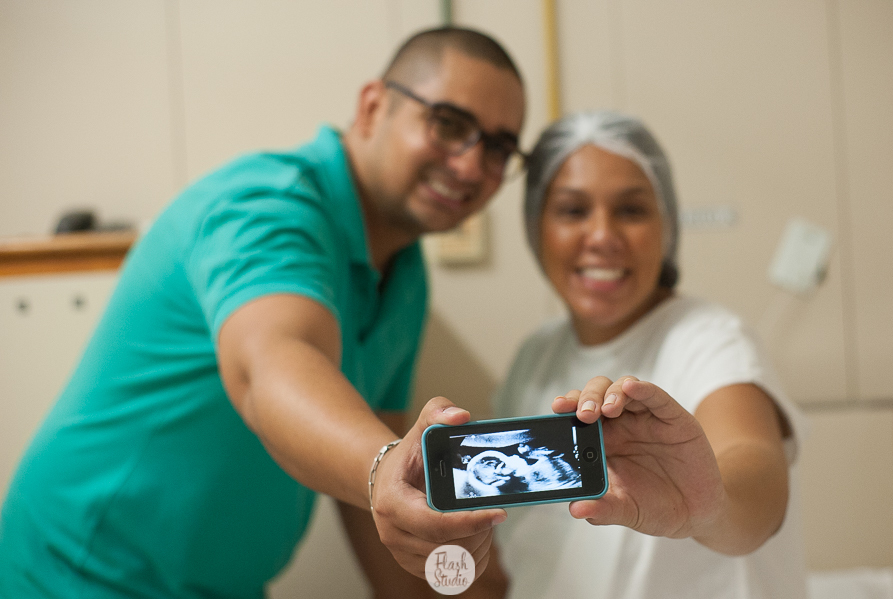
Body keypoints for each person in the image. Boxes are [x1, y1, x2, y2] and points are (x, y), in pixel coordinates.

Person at [0, 27, 525, 598]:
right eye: (448, 124)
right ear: (373, 107)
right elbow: (273, 366)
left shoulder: (405, 275)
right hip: (73, 576)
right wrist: (385, 471)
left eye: (499, 148)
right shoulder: (265, 206)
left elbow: (379, 488)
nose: (473, 167)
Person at [491, 111, 808, 598]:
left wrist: (712, 506)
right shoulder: (533, 358)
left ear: (667, 226)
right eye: (573, 211)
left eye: (631, 210)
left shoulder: (713, 340)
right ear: (537, 229)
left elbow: (753, 472)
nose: (602, 236)